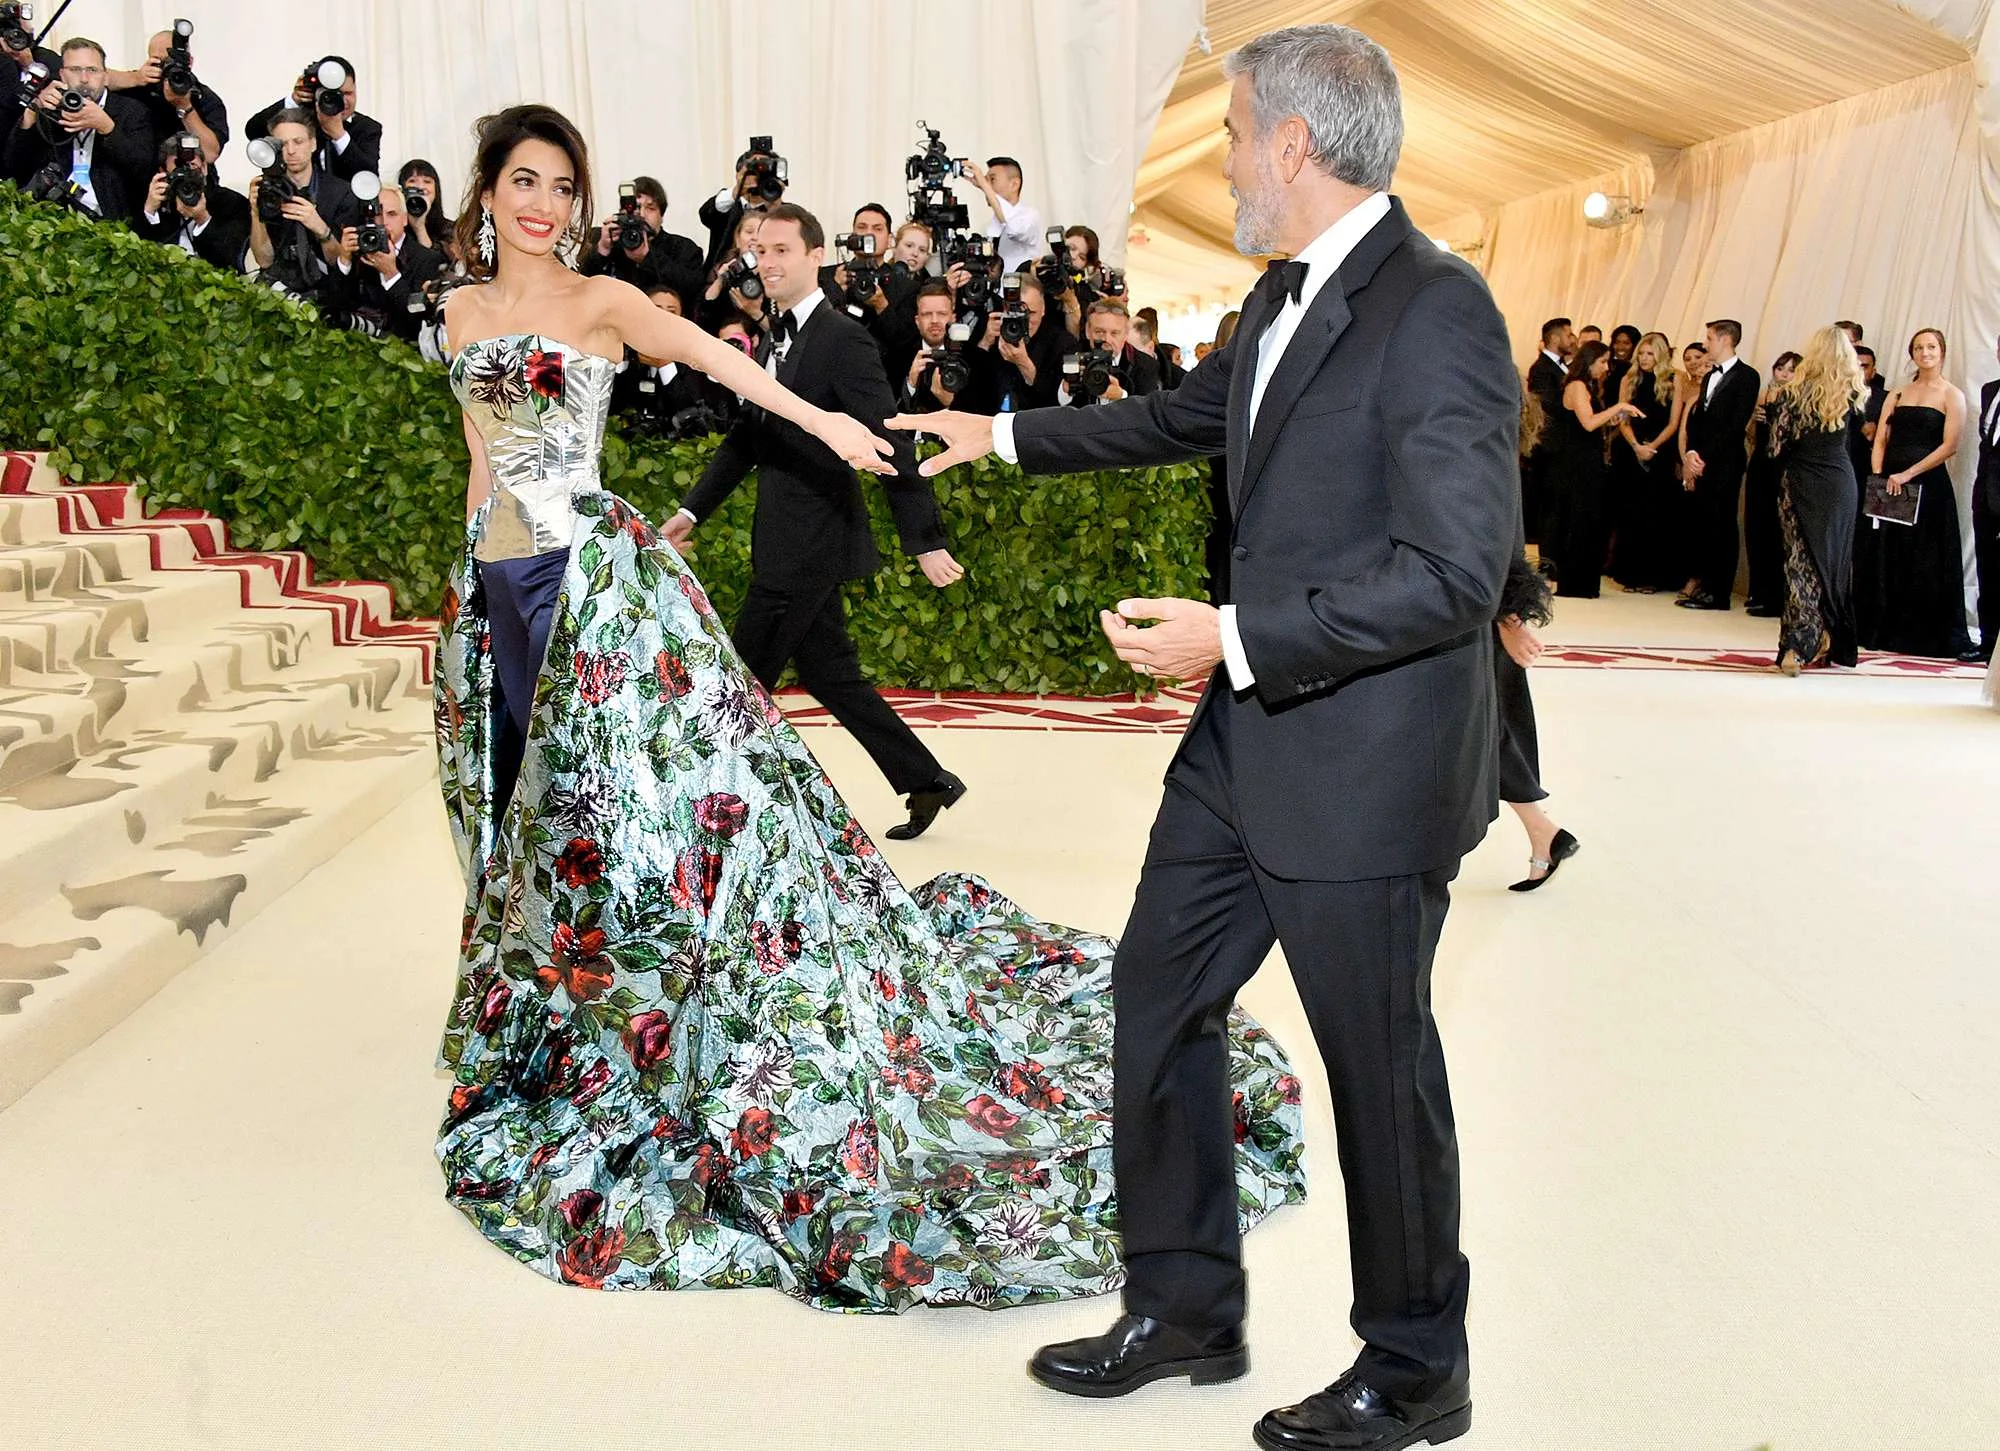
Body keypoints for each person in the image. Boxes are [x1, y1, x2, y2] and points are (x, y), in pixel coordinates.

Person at [431, 102, 1306, 1311]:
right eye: (524, 182)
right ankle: (550, 1022)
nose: (543, 204)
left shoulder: (604, 304)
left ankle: (648, 1027)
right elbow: (482, 453)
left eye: (561, 186)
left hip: (588, 587)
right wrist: (464, 579)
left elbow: (730, 370)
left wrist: (827, 420)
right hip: (495, 594)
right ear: (486, 190)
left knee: (631, 815)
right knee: (518, 805)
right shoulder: (459, 314)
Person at [896, 25, 1515, 1449]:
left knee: (1379, 1067)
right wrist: (988, 438)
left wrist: (1229, 636)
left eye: (1236, 131)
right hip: (1244, 749)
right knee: (1153, 996)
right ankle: (1184, 1305)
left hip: (1368, 765)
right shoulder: (1282, 296)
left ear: (1295, 144)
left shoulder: (1438, 308)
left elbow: (1454, 571)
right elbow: (1183, 417)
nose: (1228, 156)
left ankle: (1418, 1367)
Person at [662, 202, 969, 840]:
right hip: (786, 538)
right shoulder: (777, 338)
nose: (766, 262)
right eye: (759, 251)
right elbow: (746, 438)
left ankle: (700, 813)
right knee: (832, 675)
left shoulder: (843, 338)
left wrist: (924, 539)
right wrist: (693, 510)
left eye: (781, 251)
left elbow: (893, 437)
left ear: (814, 256)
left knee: (741, 688)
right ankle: (926, 779)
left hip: (810, 543)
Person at [1857, 328, 1975, 659]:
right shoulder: (1897, 393)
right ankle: (1882, 628)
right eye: (1919, 347)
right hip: (1890, 485)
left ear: (1942, 352)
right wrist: (1880, 478)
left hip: (1928, 486)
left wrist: (1908, 474)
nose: (1925, 352)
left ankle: (1920, 635)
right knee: (1887, 555)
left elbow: (1950, 446)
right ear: (1912, 353)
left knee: (1924, 559)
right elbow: (1881, 437)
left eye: (1932, 347)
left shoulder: (1952, 394)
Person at [1764, 326, 1864, 674]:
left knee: (1800, 564)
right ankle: (1825, 639)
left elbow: (1775, 449)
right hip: (1840, 486)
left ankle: (1797, 646)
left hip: (1801, 484)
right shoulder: (1852, 392)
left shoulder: (1790, 395)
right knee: (1832, 567)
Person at [1493, 533, 1579, 891]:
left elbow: (1490, 527)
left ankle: (1544, 831)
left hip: (1471, 607)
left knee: (1482, 729)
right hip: (1462, 605)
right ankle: (1543, 831)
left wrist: (1508, 617)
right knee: (1483, 729)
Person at [5, 37, 154, 221]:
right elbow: (14, 166)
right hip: (53, 218)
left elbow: (144, 170)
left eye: (92, 70)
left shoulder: (131, 111)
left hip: (112, 222)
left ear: (106, 76)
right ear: (62, 75)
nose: (84, 79)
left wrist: (107, 128)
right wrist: (32, 111)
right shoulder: (50, 109)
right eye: (75, 70)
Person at [1549, 340, 1643, 598]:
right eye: (1602, 361)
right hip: (1577, 462)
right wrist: (1619, 406)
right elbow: (1588, 423)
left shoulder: (1588, 386)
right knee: (1580, 519)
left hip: (1588, 459)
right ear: (1589, 361)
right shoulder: (1577, 385)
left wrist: (1614, 419)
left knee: (1590, 519)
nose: (1606, 367)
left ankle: (1584, 581)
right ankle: (1575, 582)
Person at [1679, 319, 1760, 610]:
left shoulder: (1747, 376)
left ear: (1726, 340)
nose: (1705, 344)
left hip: (1725, 463)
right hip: (1702, 461)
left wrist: (1704, 457)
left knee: (1723, 525)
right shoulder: (1709, 376)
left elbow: (1735, 426)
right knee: (1706, 525)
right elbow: (1697, 419)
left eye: (1709, 339)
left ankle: (1720, 592)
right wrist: (1690, 453)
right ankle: (1706, 586)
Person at [1608, 332, 1682, 592]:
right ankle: (1630, 575)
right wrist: (1636, 446)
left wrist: (1652, 447)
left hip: (1661, 451)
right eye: (1641, 353)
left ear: (1660, 355)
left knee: (1656, 513)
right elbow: (1623, 417)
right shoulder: (1629, 379)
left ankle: (1652, 577)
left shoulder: (1674, 379)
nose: (1644, 358)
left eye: (1650, 353)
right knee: (1631, 512)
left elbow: (1674, 422)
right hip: (1632, 449)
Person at [244, 56, 380, 182]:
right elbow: (254, 131)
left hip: (347, 205)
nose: (342, 101)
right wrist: (293, 100)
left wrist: (339, 135)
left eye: (348, 93)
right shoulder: (302, 122)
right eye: (334, 95)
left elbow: (368, 178)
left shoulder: (367, 128)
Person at [134, 130, 249, 270]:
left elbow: (232, 261)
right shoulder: (158, 203)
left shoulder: (232, 203)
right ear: (162, 172)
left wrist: (203, 219)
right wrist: (149, 212)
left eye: (193, 168)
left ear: (205, 168)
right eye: (179, 172)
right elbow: (139, 260)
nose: (187, 178)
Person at [1743, 351, 1801, 617]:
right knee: (1755, 524)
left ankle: (1776, 596)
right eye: (1780, 368)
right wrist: (1755, 420)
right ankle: (1757, 590)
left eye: (1790, 370)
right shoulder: (1764, 394)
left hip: (1783, 468)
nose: (1784, 374)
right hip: (1760, 464)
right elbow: (1753, 437)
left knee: (1777, 530)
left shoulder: (1798, 400)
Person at [974, 154, 1042, 273]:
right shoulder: (991, 225)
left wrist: (984, 185)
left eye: (992, 179)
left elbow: (1013, 229)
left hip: (1020, 289)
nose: (987, 186)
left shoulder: (1029, 216)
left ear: (1014, 184)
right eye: (985, 180)